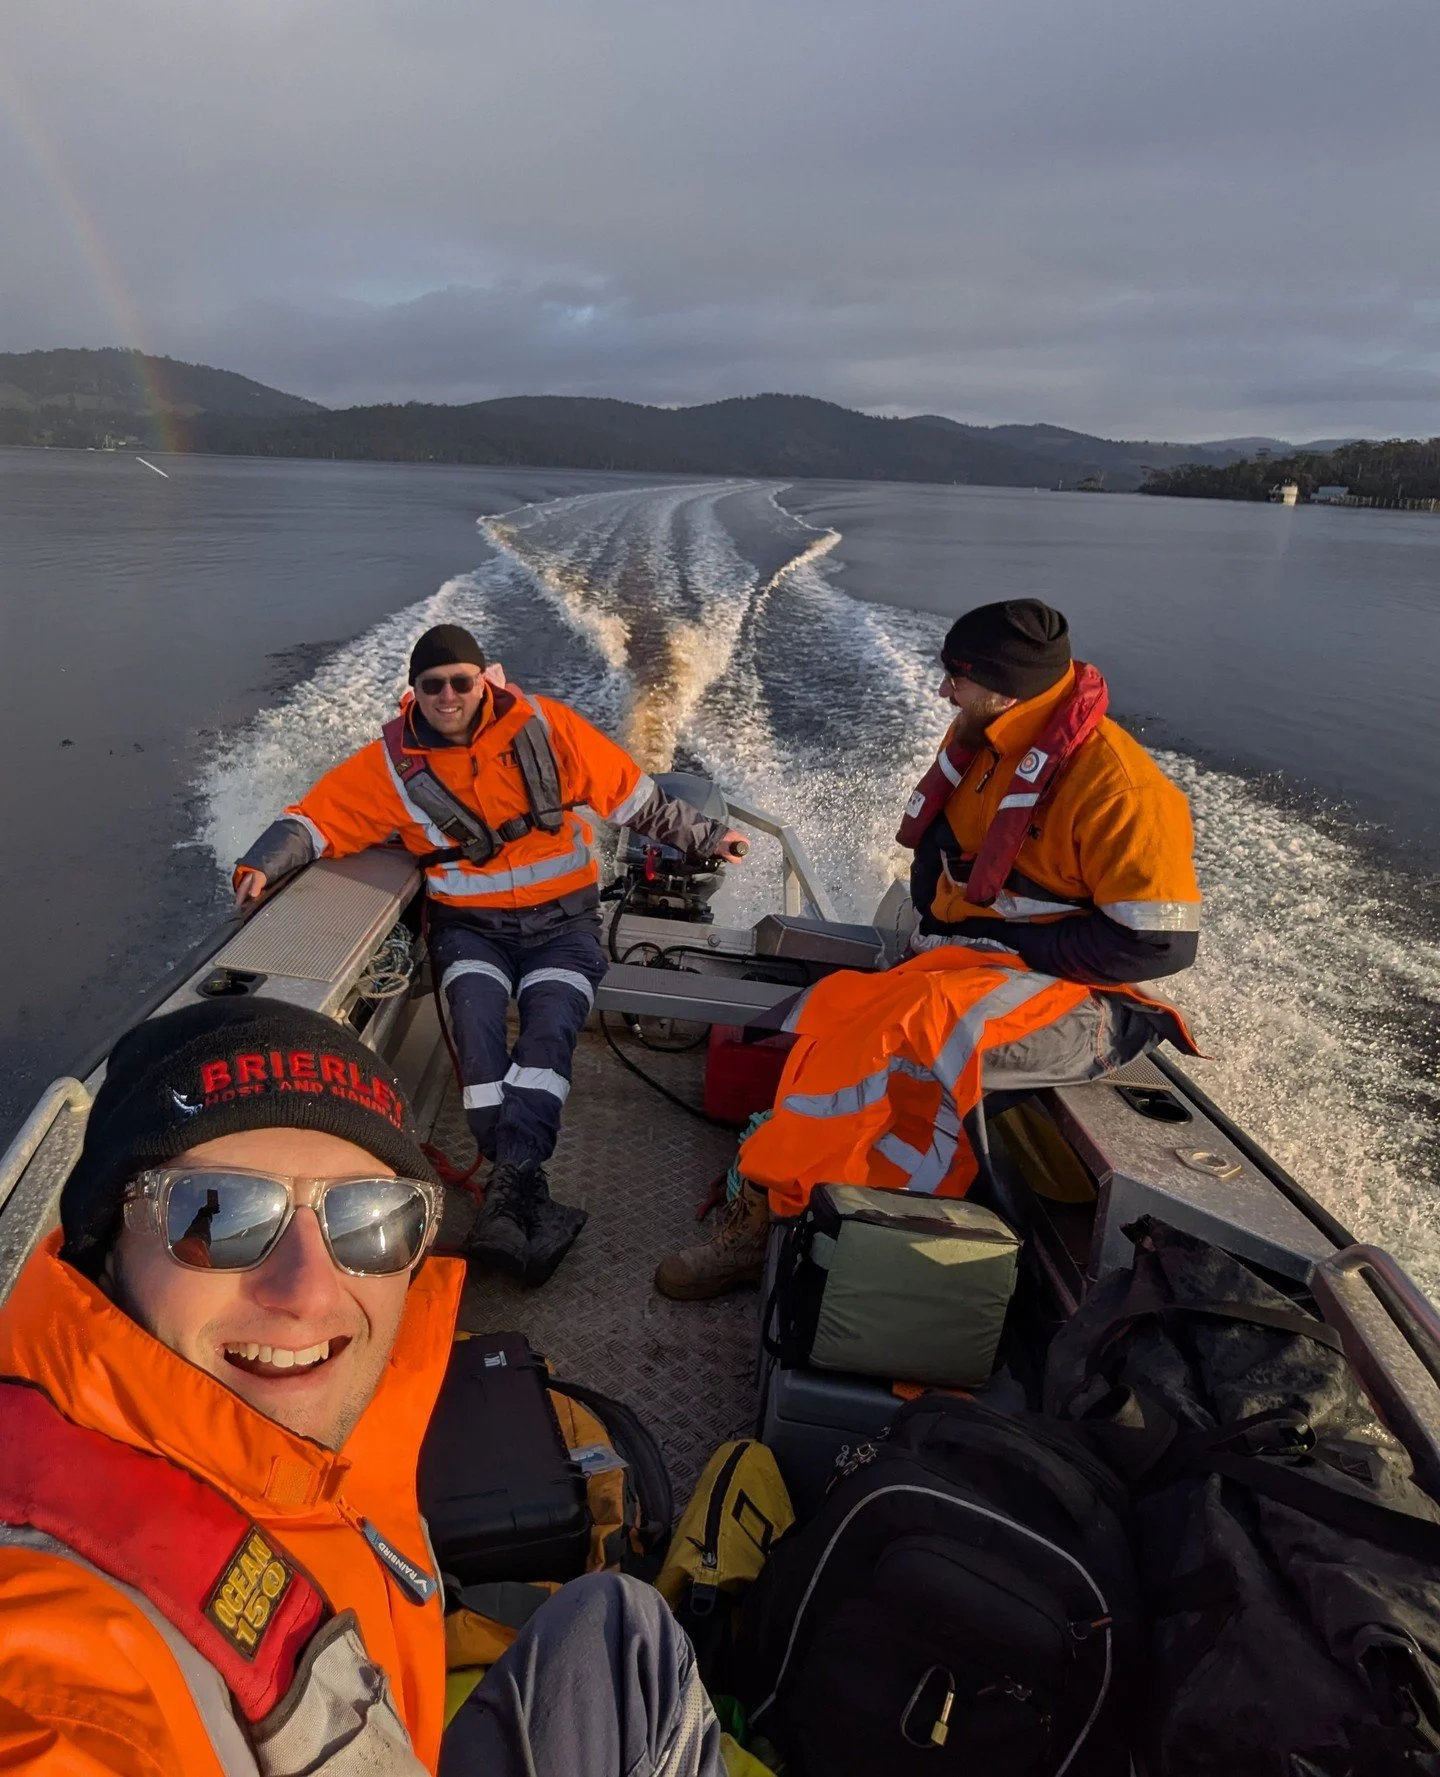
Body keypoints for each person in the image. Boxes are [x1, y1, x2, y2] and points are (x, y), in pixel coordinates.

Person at [0, 997, 724, 1777]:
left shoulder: (344, 1444)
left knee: (625, 1633)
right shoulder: (61, 1671)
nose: (309, 1291)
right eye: (219, 1212)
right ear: (105, 1247)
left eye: (369, 1216)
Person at [654, 599, 1201, 1301]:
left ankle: (809, 1224)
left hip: (1088, 998)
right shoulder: (984, 739)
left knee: (903, 1039)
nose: (945, 691)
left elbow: (1158, 944)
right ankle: (789, 1190)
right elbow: (937, 847)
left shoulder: (1119, 789)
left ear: (1006, 689)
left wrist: (1002, 941)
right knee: (836, 1008)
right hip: (981, 962)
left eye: (958, 678)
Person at [233, 624, 746, 1285]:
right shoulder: (392, 767)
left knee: (549, 1029)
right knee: (477, 1035)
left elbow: (634, 798)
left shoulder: (547, 728)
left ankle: (513, 1177)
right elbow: (318, 819)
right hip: (470, 929)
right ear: (414, 692)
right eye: (433, 685)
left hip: (564, 924)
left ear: (484, 681)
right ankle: (517, 1180)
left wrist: (708, 836)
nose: (448, 695)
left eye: (460, 682)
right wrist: (263, 862)